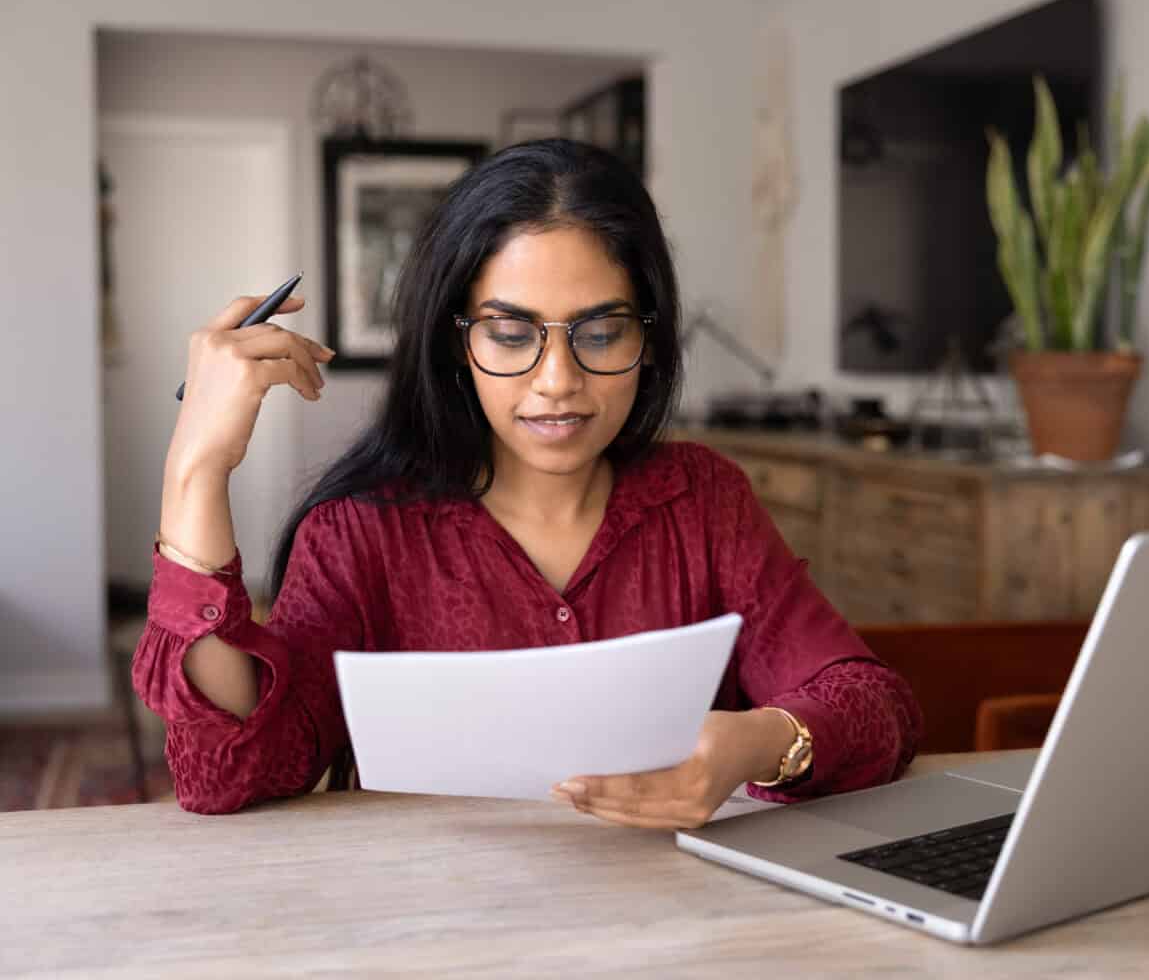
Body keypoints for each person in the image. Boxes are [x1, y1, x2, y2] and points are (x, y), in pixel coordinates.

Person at [134, 139, 922, 823]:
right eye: (511, 335)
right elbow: (228, 770)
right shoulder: (362, 534)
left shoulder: (702, 501)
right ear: (455, 341)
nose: (557, 381)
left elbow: (873, 706)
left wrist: (754, 742)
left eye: (602, 332)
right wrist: (195, 469)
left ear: (649, 339)